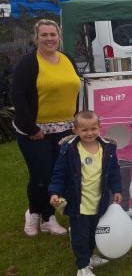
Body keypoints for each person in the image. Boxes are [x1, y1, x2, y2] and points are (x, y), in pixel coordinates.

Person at [11, 19, 80, 236]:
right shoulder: (28, 63)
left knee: (57, 176)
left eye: (53, 34)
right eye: (44, 35)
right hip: (35, 131)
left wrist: (76, 122)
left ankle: (48, 217)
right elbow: (18, 97)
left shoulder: (68, 59)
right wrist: (31, 129)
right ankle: (33, 214)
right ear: (36, 38)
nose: (49, 38)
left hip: (65, 129)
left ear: (59, 36)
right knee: (40, 176)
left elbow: (74, 90)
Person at [49, 110, 122, 276]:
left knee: (94, 233)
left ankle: (89, 256)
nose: (90, 133)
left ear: (100, 127)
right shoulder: (69, 149)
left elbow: (114, 171)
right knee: (80, 236)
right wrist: (54, 191)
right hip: (78, 203)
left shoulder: (108, 148)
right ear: (75, 130)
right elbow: (59, 173)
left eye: (93, 128)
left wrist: (116, 189)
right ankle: (82, 266)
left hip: (99, 201)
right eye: (84, 130)